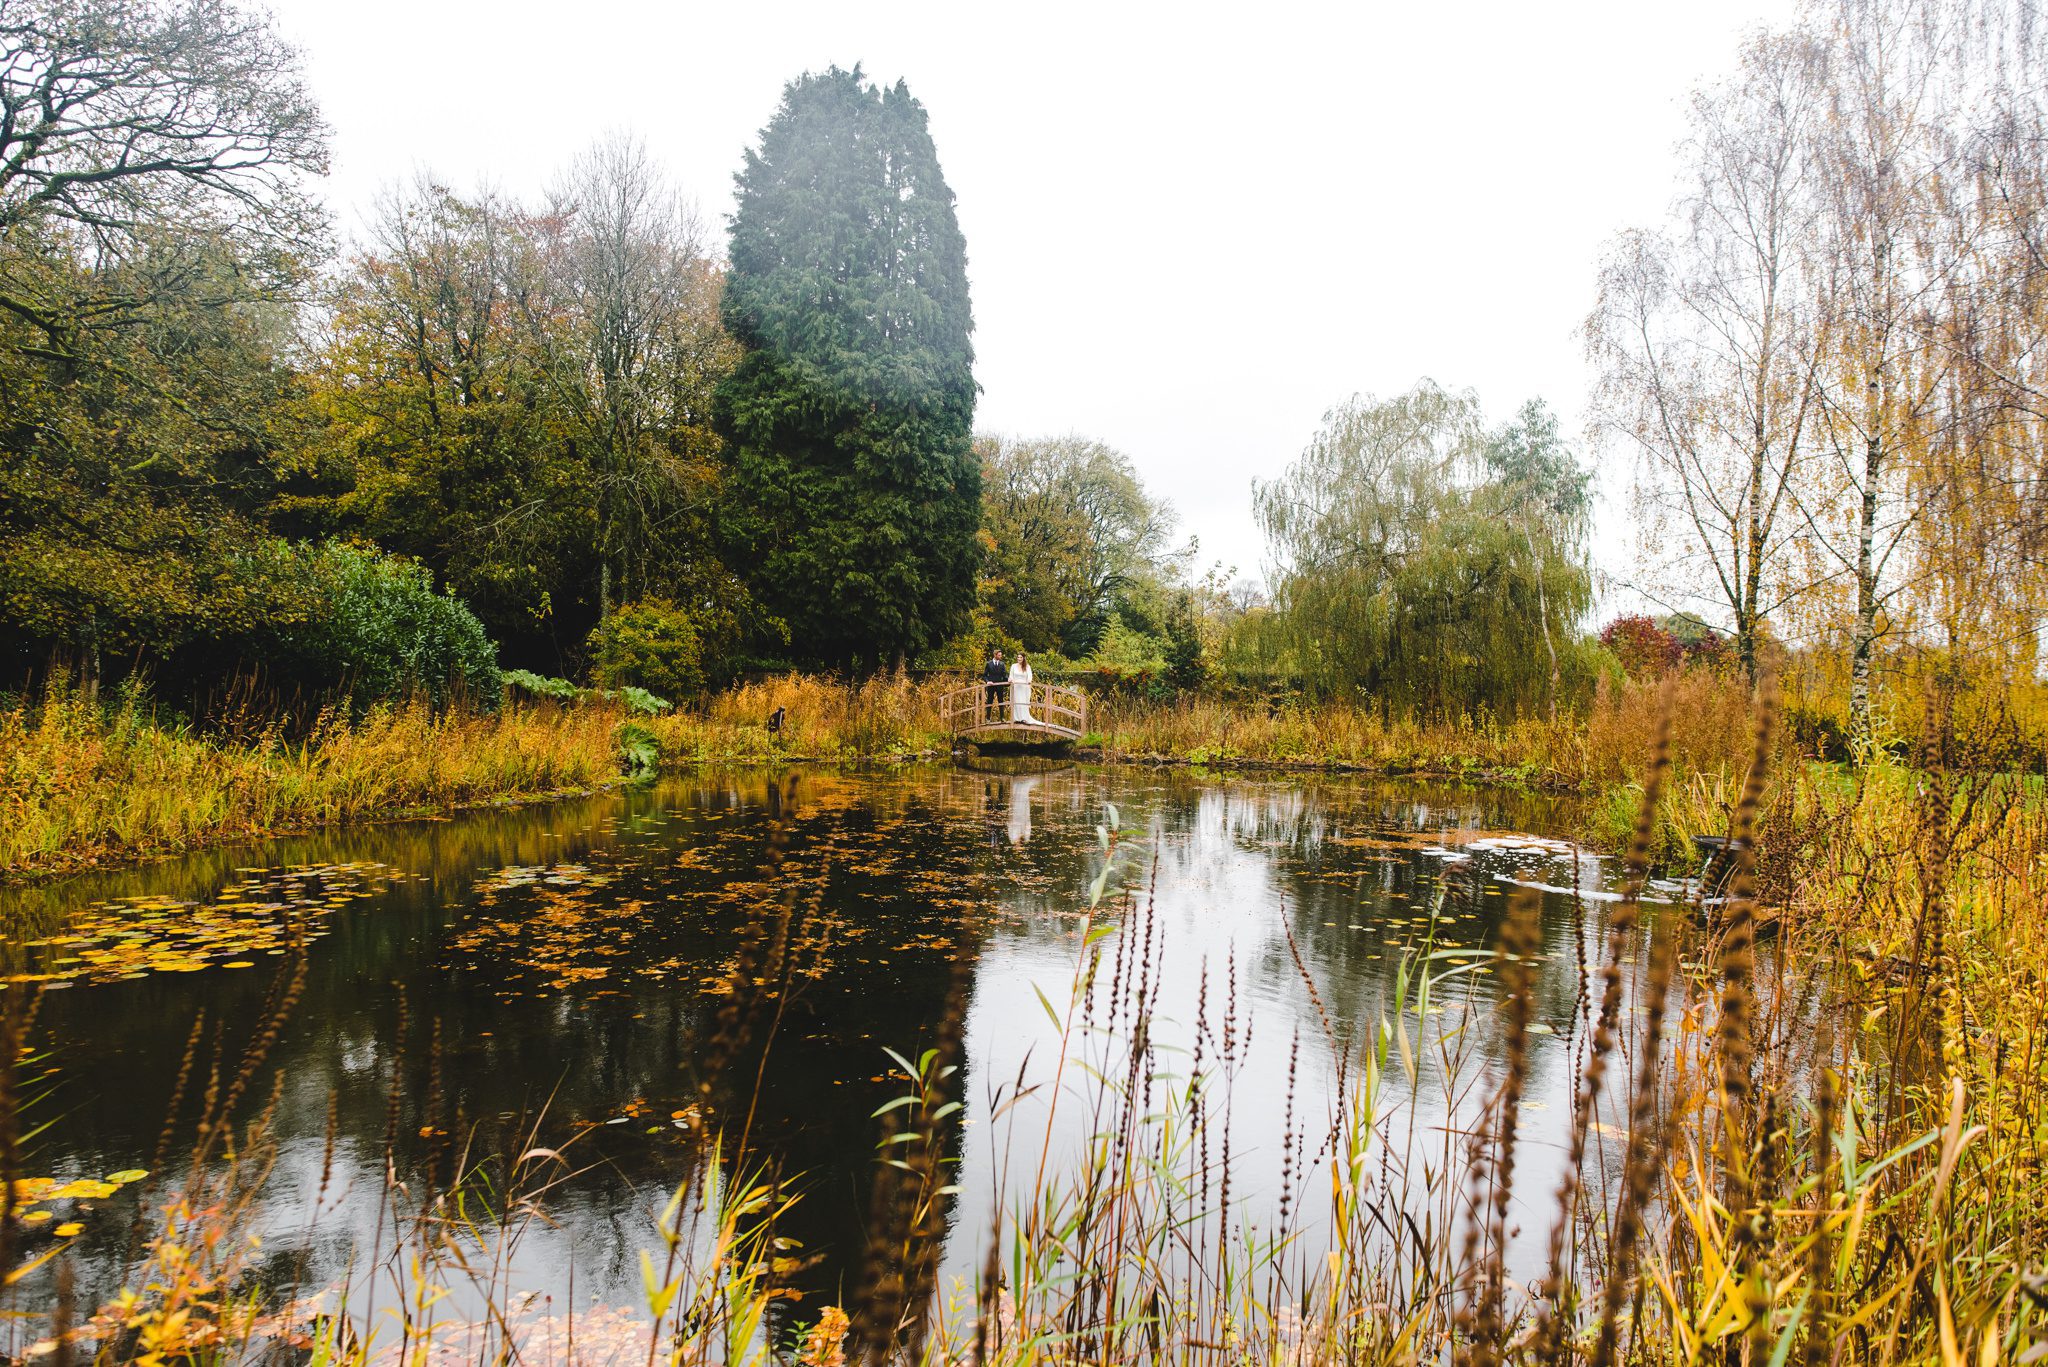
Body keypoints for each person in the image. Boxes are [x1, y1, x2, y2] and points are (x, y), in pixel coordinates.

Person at [1008, 652, 1037, 724]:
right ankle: (1016, 718)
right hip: (1016, 686)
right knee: (1016, 701)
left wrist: (1029, 681)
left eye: (1020, 657)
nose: (1019, 659)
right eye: (1018, 657)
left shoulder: (1027, 667)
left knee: (1023, 701)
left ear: (1023, 658)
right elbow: (1011, 676)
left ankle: (1024, 718)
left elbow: (1030, 676)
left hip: (1024, 687)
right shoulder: (1013, 666)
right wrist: (1010, 679)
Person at [982, 649, 1008, 723]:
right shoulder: (988, 664)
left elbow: (1004, 675)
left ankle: (1002, 718)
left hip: (1000, 685)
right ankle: (988, 718)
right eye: (999, 655)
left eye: (1001, 655)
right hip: (991, 685)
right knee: (989, 701)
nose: (1000, 656)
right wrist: (987, 681)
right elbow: (984, 675)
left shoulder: (1002, 664)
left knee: (1001, 701)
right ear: (995, 655)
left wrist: (1009, 679)